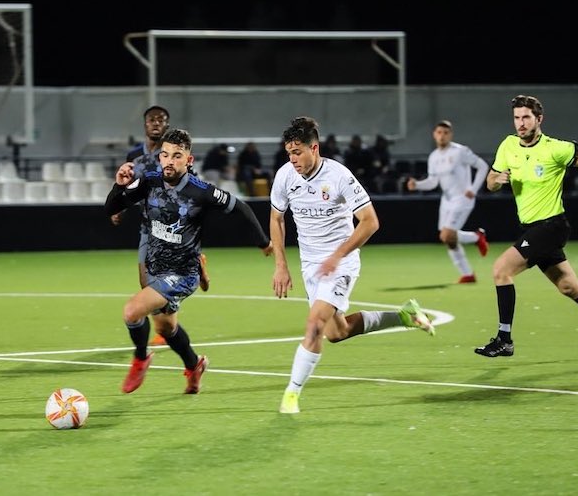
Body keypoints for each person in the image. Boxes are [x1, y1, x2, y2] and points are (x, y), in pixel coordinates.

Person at [269, 116, 435, 414]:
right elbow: (276, 218)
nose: (292, 159)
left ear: (314, 148)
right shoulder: (285, 176)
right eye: (289, 153)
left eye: (297, 153)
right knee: (337, 332)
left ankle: (291, 395)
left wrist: (337, 255)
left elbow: (370, 222)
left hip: (340, 263)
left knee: (314, 325)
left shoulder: (339, 176)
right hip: (311, 265)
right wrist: (281, 264)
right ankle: (405, 317)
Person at [105, 128, 273, 394]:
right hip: (155, 268)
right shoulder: (149, 182)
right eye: (165, 155)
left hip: (182, 274)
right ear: (159, 157)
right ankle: (194, 365)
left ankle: (140, 358)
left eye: (177, 156)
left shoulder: (201, 191)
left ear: (189, 160)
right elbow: (111, 209)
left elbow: (240, 207)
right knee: (167, 328)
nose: (169, 161)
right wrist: (119, 185)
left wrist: (263, 241)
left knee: (132, 311)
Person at [475, 95, 578, 359]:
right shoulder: (508, 145)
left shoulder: (554, 148)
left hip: (551, 226)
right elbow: (490, 181)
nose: (520, 123)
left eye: (526, 117)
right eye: (516, 118)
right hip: (532, 228)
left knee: (501, 270)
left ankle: (504, 339)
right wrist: (496, 180)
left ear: (539, 119)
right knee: (568, 286)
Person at [111, 106, 211, 344]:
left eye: (161, 120)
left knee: (160, 283)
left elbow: (192, 184)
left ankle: (165, 326)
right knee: (146, 282)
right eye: (151, 120)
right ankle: (166, 324)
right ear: (144, 125)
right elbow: (129, 186)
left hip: (176, 229)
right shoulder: (135, 156)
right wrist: (120, 207)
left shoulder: (176, 152)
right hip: (149, 226)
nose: (156, 123)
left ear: (167, 125)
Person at [406, 120, 490, 283]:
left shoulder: (460, 151)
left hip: (463, 199)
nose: (442, 136)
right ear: (434, 135)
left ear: (450, 135)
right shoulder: (434, 157)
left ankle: (476, 237)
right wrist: (417, 184)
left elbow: (482, 166)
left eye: (445, 133)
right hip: (447, 200)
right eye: (439, 133)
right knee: (448, 240)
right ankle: (468, 274)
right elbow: (433, 182)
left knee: (447, 234)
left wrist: (473, 189)